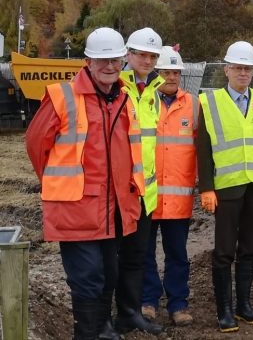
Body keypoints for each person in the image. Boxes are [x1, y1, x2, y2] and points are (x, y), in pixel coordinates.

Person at [26, 27, 144, 340]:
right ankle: (88, 334)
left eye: (115, 60)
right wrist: (56, 183)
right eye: (102, 60)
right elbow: (37, 144)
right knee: (88, 276)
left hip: (114, 207)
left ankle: (103, 328)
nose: (109, 66)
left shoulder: (124, 99)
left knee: (108, 273)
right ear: (87, 62)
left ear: (123, 62)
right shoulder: (63, 96)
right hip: (77, 206)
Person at [197, 41, 253, 333]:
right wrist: (206, 187)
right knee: (223, 252)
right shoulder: (209, 102)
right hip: (226, 189)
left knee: (250, 249)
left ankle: (244, 306)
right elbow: (203, 149)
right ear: (227, 70)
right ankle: (225, 311)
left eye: (248, 68)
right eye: (238, 68)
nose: (243, 73)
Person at [141, 46, 198, 327]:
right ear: (156, 73)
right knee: (144, 252)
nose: (172, 77)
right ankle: (148, 301)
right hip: (148, 196)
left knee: (178, 255)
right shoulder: (144, 102)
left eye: (176, 72)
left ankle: (178, 305)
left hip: (178, 199)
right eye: (165, 71)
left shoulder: (194, 105)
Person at [115, 27, 165, 335]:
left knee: (135, 258)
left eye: (152, 56)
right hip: (118, 192)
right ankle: (102, 319)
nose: (146, 60)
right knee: (109, 261)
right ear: (128, 55)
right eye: (141, 54)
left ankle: (129, 314)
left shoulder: (153, 93)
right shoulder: (114, 87)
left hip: (144, 191)